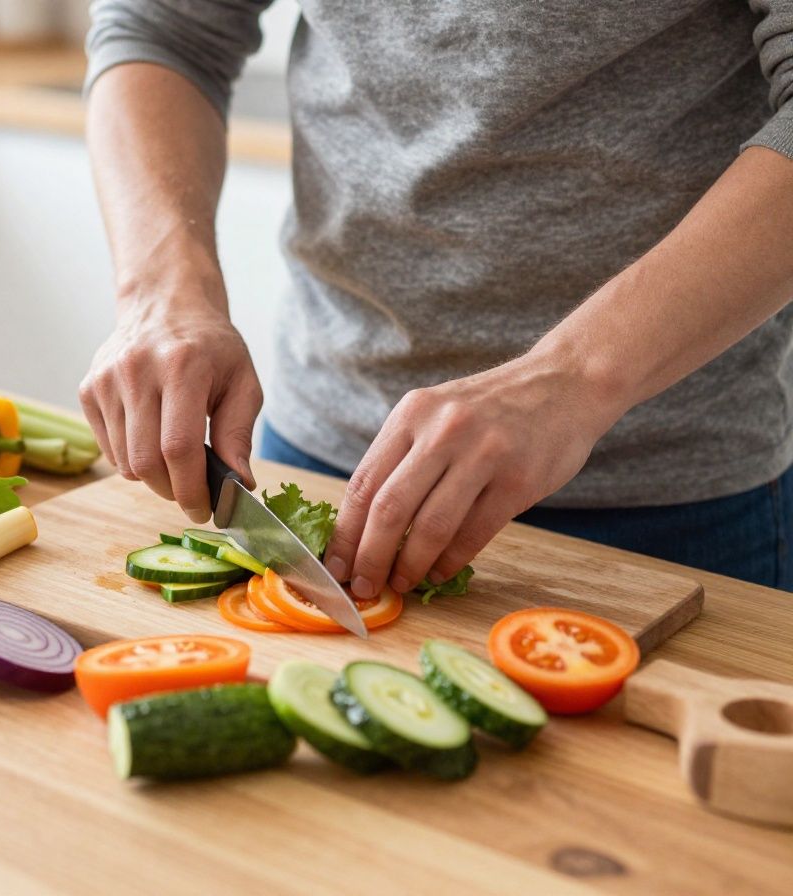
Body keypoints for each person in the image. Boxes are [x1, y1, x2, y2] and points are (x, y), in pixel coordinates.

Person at [77, 1, 793, 596]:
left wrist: (576, 378)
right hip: (317, 456)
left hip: (670, 501)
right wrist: (161, 291)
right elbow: (161, 27)